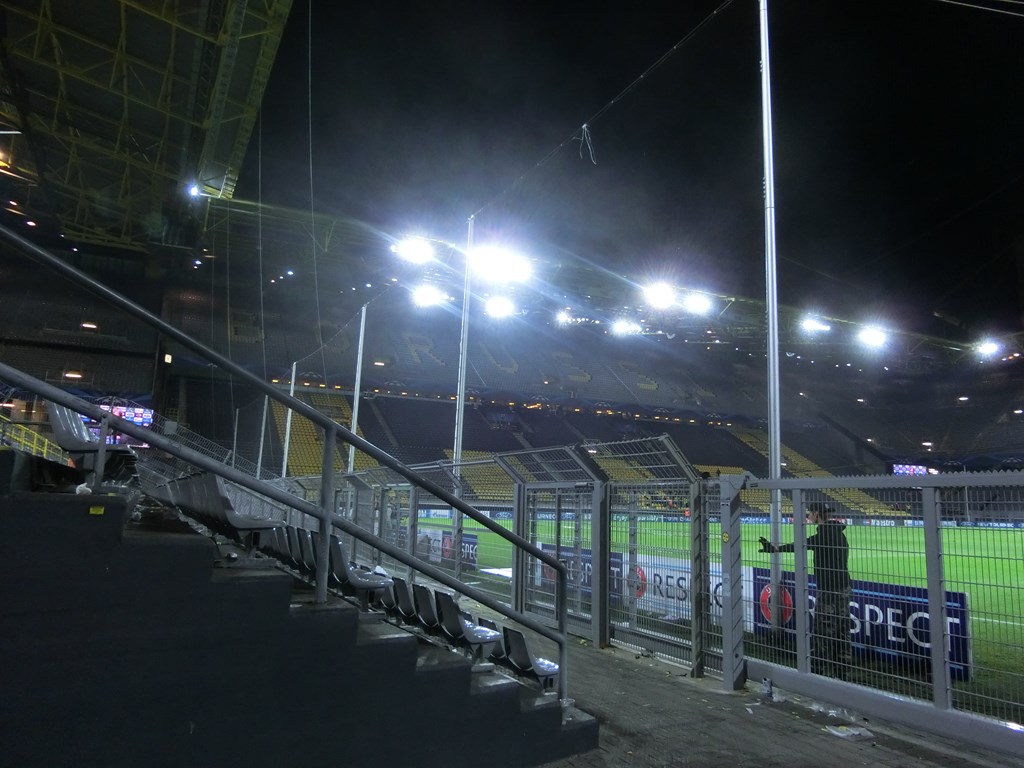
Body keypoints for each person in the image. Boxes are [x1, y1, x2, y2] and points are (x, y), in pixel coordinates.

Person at [759, 502, 852, 678]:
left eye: (810, 513)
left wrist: (775, 549)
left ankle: (817, 674)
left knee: (822, 634)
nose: (808, 516)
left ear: (816, 514)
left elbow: (801, 545)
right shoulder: (838, 533)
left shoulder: (824, 535)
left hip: (829, 592)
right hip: (845, 589)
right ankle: (842, 674)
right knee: (842, 632)